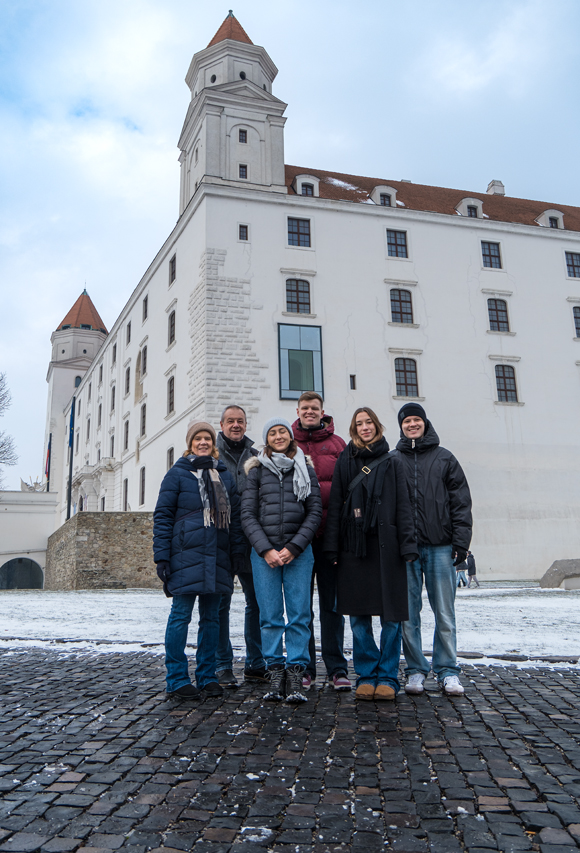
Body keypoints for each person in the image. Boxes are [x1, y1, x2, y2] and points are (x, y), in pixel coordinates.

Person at [324, 408, 418, 701]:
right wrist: (332, 546)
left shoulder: (393, 461)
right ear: (354, 429)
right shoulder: (345, 460)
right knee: (358, 616)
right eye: (359, 424)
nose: (365, 427)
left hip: (387, 547)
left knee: (392, 617)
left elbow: (404, 505)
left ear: (377, 426)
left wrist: (408, 545)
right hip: (354, 547)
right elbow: (336, 504)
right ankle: (366, 674)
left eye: (369, 423)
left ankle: (387, 675)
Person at [153, 421, 245, 699]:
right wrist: (162, 557)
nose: (203, 442)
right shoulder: (177, 474)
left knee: (211, 619)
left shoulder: (224, 475)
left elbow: (236, 519)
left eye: (207, 438)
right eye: (198, 438)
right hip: (185, 555)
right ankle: (176, 678)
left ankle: (207, 675)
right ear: (190, 443)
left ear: (213, 444)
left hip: (218, 555)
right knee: (180, 616)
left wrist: (237, 553)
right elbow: (163, 517)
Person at [391, 403, 472, 697]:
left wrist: (461, 542)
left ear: (425, 423)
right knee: (408, 616)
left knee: (445, 614)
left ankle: (448, 670)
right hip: (407, 549)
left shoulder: (445, 458)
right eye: (407, 421)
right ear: (401, 426)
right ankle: (415, 669)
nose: (412, 424)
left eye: (417, 420)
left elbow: (461, 503)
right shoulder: (393, 459)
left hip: (441, 546)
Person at [241, 417, 322, 703]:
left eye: (282, 431)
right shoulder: (256, 471)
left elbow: (314, 512)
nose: (278, 436)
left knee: (299, 615)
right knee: (270, 616)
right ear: (267, 439)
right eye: (273, 433)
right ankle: (275, 672)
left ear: (290, 436)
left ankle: (296, 673)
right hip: (264, 555)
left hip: (298, 553)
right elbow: (247, 514)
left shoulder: (306, 468)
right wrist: (265, 549)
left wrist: (295, 547)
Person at [291, 391, 350, 692]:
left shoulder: (337, 444)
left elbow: (347, 488)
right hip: (298, 539)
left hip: (329, 537)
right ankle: (305, 667)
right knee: (301, 607)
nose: (310, 412)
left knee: (332, 606)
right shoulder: (288, 443)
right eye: (305, 408)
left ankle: (337, 667)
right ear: (298, 411)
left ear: (322, 411)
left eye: (314, 408)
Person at [214, 405, 267, 688]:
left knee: (255, 603)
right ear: (221, 424)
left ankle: (255, 663)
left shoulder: (257, 458)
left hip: (250, 540)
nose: (236, 425)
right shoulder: (211, 456)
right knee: (220, 604)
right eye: (231, 421)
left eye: (240, 421)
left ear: (246, 425)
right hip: (220, 541)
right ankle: (222, 664)